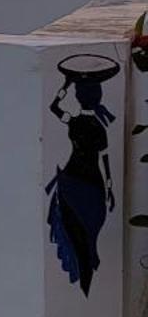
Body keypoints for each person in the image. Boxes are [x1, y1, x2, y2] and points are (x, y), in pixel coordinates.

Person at [46, 58, 117, 296]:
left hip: (72, 182)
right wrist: (109, 188)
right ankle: (86, 276)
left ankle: (83, 276)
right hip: (92, 186)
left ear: (78, 97)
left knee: (77, 234)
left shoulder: (73, 122)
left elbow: (54, 107)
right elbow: (104, 160)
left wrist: (66, 84)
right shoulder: (99, 127)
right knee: (88, 237)